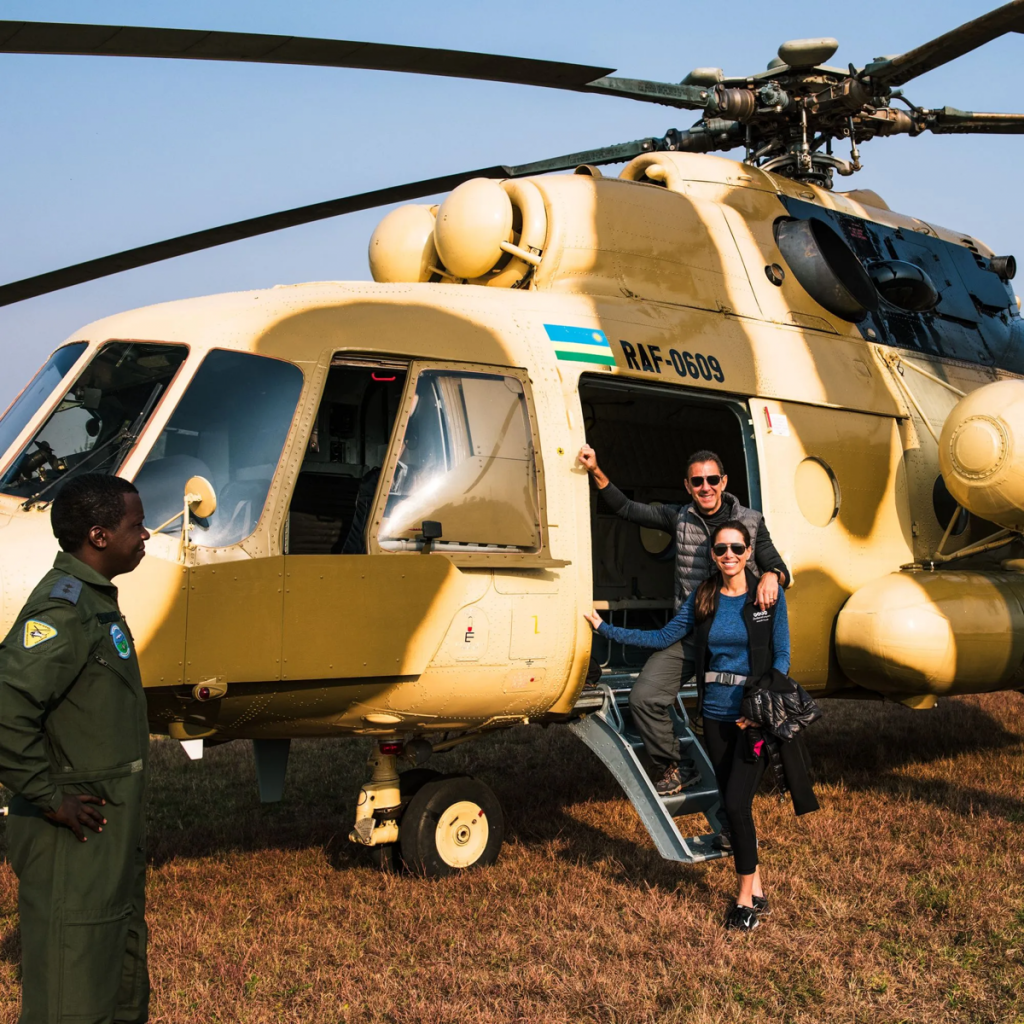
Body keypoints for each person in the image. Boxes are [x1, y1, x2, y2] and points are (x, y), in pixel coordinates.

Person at [584, 520, 789, 932]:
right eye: (720, 550)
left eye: (736, 548)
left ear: (749, 552)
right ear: (712, 557)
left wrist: (761, 705)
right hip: (713, 716)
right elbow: (663, 638)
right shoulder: (704, 596)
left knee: (734, 806)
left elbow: (782, 654)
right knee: (738, 807)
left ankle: (745, 900)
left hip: (752, 719)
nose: (728, 555)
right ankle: (760, 890)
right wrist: (605, 629)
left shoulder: (768, 595)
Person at [0, 474, 152, 1022]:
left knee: (114, 976)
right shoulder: (65, 612)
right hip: (72, 834)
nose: (145, 535)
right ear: (99, 535)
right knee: (72, 991)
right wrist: (47, 796)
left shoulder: (94, 603)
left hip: (103, 835)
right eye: (135, 525)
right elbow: (5, 709)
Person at [579, 445, 789, 797]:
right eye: (697, 481)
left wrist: (774, 575)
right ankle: (675, 765)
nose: (705, 487)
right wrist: (596, 470)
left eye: (711, 479)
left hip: (735, 635)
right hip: (693, 632)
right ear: (688, 487)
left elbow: (773, 560)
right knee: (645, 697)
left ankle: (749, 785)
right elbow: (627, 509)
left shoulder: (751, 521)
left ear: (723, 481)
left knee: (740, 715)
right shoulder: (680, 518)